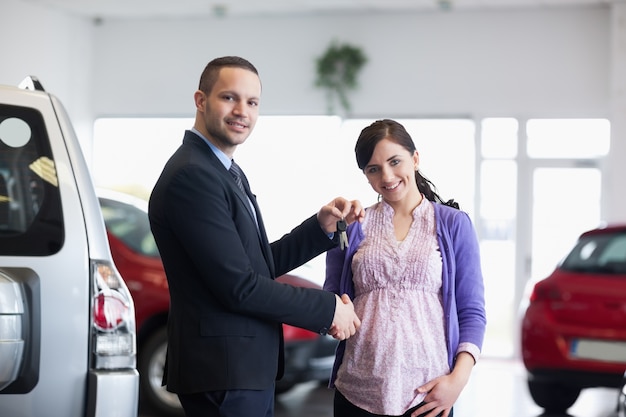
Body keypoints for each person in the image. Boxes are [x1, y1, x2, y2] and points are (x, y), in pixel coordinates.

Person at [148, 56, 364, 417]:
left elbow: (255, 264)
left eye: (252, 102)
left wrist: (318, 229)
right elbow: (240, 286)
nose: (242, 111)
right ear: (201, 101)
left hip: (241, 370)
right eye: (229, 98)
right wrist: (328, 310)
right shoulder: (193, 177)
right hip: (223, 373)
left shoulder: (224, 170)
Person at [324, 119, 487, 417]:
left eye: (394, 161)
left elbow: (472, 311)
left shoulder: (453, 224)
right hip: (357, 391)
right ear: (366, 176)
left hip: (428, 395)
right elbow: (332, 299)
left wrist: (457, 381)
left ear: (415, 158)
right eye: (373, 169)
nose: (386, 176)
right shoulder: (352, 227)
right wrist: (336, 311)